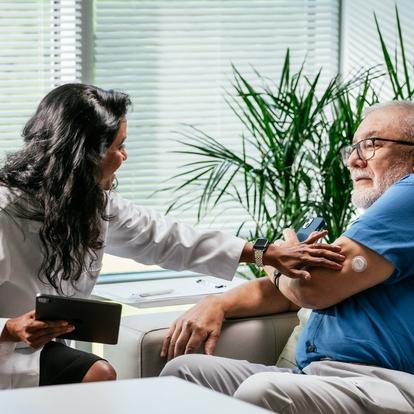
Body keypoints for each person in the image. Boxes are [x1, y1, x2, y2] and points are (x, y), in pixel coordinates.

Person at [0, 83, 344, 389]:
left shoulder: (91, 202)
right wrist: (9, 328)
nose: (125, 156)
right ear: (83, 153)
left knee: (98, 376)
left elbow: (168, 238)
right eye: (118, 146)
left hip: (36, 349)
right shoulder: (5, 212)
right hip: (6, 347)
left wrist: (265, 254)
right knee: (97, 376)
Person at [160, 101, 414, 414]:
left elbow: (310, 289)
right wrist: (219, 303)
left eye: (372, 144)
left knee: (264, 390)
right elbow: (295, 291)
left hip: (386, 383)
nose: (352, 159)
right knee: (183, 374)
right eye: (352, 147)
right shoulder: (379, 220)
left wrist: (272, 259)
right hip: (319, 377)